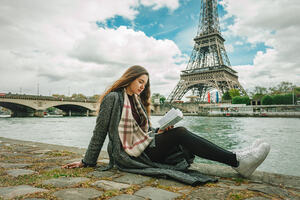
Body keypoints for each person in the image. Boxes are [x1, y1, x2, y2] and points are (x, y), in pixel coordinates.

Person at [62, 65, 270, 185]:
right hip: (132, 155)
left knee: (177, 131)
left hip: (145, 146)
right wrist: (87, 161)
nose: (143, 86)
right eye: (140, 81)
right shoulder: (113, 99)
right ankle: (236, 160)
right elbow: (99, 133)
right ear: (129, 79)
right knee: (180, 133)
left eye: (145, 83)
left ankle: (235, 155)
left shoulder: (137, 101)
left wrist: (160, 130)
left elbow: (144, 132)